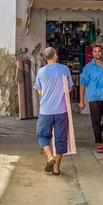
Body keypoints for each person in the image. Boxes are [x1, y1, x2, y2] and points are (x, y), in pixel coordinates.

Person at [34, 47, 73, 175]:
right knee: (60, 139)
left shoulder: (41, 72)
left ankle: (50, 157)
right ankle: (56, 168)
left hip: (45, 111)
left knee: (42, 135)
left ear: (45, 58)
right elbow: (69, 89)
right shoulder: (64, 69)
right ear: (55, 55)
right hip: (61, 110)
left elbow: (39, 91)